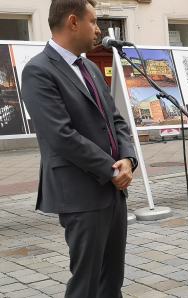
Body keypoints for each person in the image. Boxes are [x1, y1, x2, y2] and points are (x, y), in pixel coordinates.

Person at [21, 0, 137, 296]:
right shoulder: (38, 70)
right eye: (94, 21)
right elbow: (61, 135)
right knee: (85, 282)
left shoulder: (89, 67)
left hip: (114, 189)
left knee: (112, 279)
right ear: (73, 22)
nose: (98, 30)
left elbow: (115, 119)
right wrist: (110, 169)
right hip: (81, 192)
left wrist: (127, 158)